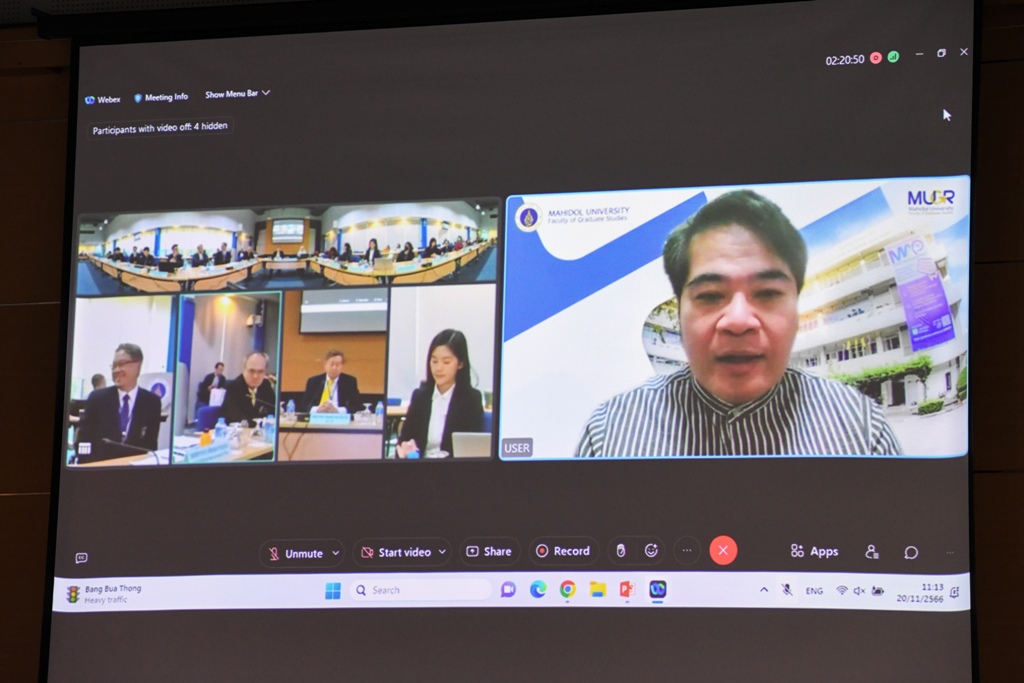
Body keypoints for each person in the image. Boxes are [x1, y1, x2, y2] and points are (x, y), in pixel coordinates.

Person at [575, 189, 903, 458]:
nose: (738, 321)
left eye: (768, 293)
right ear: (679, 313)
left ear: (796, 310)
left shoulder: (861, 428)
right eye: (709, 295)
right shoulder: (610, 432)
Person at [396, 329, 484, 458]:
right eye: (434, 361)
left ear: (460, 364)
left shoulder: (471, 399)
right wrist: (405, 450)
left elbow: (473, 450)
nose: (438, 368)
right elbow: (404, 441)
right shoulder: (420, 397)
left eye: (446, 362)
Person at [74, 343, 162, 464]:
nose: (116, 370)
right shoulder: (97, 399)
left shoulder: (152, 402)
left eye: (121, 364)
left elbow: (151, 447)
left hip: (135, 471)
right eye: (114, 366)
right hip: (101, 469)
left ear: (138, 365)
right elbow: (83, 442)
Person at [222, 351, 277, 424]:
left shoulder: (266, 385)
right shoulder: (233, 387)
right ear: (244, 369)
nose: (255, 376)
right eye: (251, 371)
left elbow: (274, 411)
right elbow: (235, 417)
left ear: (265, 372)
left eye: (260, 371)